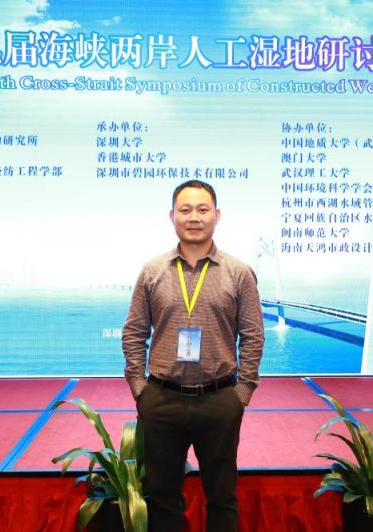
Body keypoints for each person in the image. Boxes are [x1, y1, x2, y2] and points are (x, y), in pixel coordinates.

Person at [122, 179, 265, 532]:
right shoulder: (152, 271)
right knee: (163, 499)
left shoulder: (238, 273)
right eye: (185, 210)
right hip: (162, 400)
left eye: (203, 209)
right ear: (172, 216)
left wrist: (242, 392)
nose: (194, 217)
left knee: (222, 499)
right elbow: (134, 332)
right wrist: (140, 389)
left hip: (219, 400)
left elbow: (253, 336)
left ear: (217, 215)